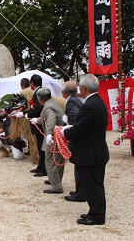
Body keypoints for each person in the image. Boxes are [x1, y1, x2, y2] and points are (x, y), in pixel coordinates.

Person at [61, 74, 109, 225]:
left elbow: (80, 130)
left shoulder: (89, 105)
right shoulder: (97, 102)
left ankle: (96, 215)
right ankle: (94, 212)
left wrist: (64, 132)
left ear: (84, 88)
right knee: (94, 184)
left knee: (93, 185)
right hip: (95, 151)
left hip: (90, 153)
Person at [31, 88, 65, 194]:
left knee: (50, 161)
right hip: (60, 135)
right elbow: (46, 117)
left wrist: (49, 133)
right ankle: (55, 180)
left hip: (54, 136)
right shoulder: (53, 103)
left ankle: (56, 186)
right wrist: (37, 120)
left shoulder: (48, 107)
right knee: (58, 160)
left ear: (40, 99)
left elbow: (51, 118)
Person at [16, 74, 46, 177]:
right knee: (39, 146)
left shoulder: (39, 93)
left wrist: (26, 114)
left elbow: (38, 109)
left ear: (32, 83)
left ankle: (43, 169)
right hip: (37, 122)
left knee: (42, 147)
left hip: (39, 123)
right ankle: (40, 166)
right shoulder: (38, 92)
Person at [61, 81, 85, 202]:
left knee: (79, 167)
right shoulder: (76, 99)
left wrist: (68, 126)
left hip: (77, 137)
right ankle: (79, 190)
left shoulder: (71, 101)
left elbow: (75, 116)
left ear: (65, 92)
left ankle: (80, 193)